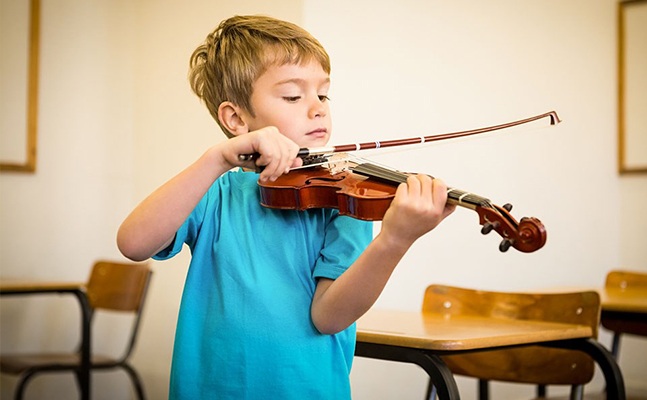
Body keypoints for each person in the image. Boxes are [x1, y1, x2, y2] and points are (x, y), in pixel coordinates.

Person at [117, 15, 454, 399]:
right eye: (294, 96)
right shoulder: (216, 191)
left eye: (323, 95)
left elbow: (328, 317)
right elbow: (133, 243)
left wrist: (395, 240)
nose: (318, 109)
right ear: (236, 118)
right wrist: (215, 160)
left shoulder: (345, 200)